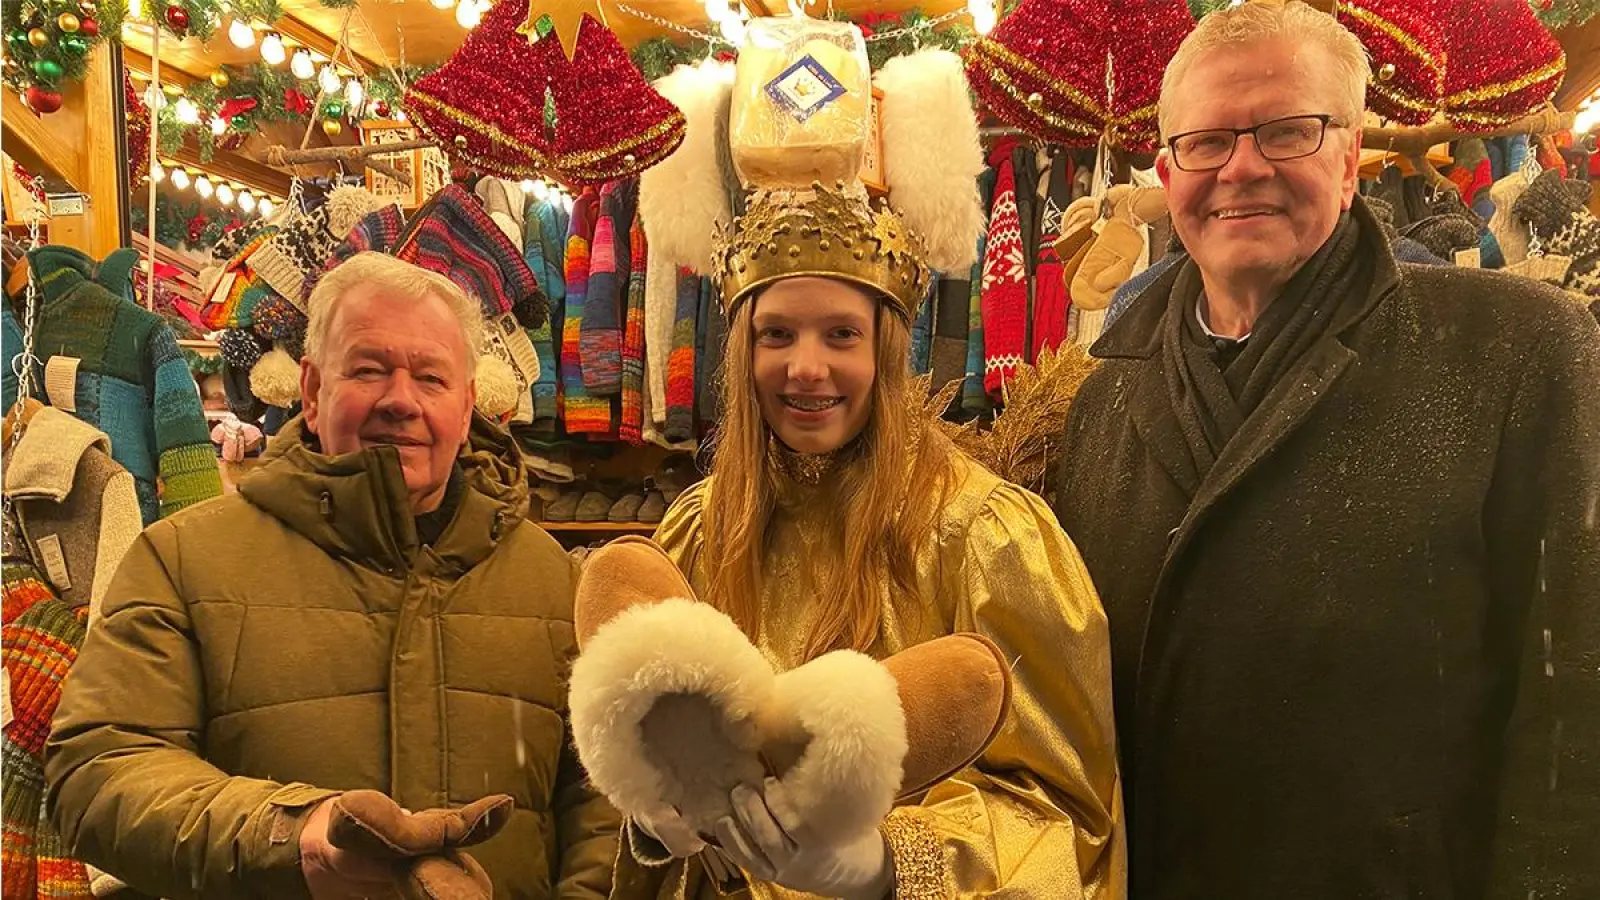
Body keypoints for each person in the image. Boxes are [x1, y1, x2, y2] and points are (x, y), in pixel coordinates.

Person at [1052, 4, 1600, 898]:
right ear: (1166, 171)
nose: (1242, 167)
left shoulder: (1517, 350)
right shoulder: (1106, 397)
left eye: (1286, 132)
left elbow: (1576, 699)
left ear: (1348, 160)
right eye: (1207, 142)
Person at [45, 251, 619, 899]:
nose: (400, 400)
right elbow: (99, 772)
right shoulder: (182, 560)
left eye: (431, 378)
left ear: (467, 408)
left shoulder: (553, 581)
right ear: (313, 393)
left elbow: (602, 791)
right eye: (369, 370)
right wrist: (297, 835)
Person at [611, 182, 1123, 899]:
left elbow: (1064, 814)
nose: (807, 367)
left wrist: (886, 864)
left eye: (840, 334)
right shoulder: (700, 530)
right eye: (777, 333)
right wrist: (651, 814)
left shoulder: (986, 536)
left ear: (884, 348)